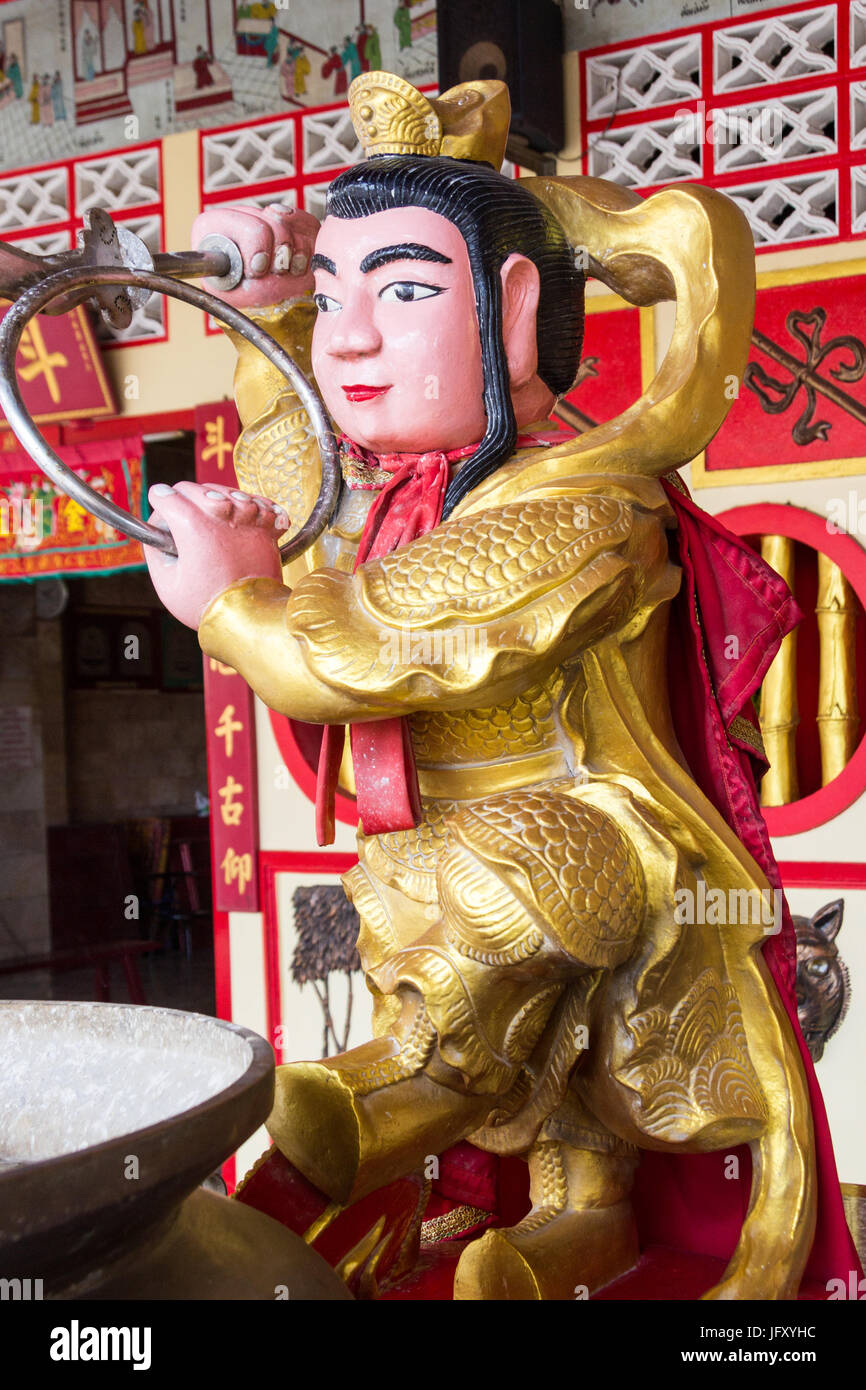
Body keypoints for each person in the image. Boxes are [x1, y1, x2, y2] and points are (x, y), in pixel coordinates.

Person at [148, 73, 859, 1301]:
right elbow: (288, 485)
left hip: (603, 857)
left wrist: (232, 605)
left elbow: (366, 647)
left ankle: (406, 1117)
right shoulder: (388, 486)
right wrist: (258, 319)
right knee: (472, 970)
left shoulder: (578, 500)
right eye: (332, 300)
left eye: (405, 290)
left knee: (502, 902)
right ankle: (552, 1212)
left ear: (514, 308)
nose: (350, 339)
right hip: (432, 858)